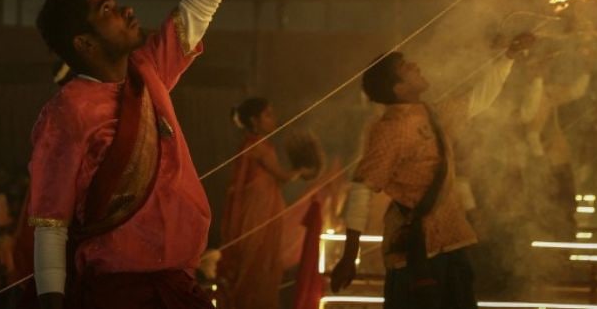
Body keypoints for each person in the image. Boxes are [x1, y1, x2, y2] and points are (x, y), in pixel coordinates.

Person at [25, 0, 269, 309]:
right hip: (119, 295)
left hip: (178, 287)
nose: (127, 11)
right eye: (108, 11)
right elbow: (50, 225)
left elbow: (204, 0)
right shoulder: (67, 111)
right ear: (84, 43)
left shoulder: (149, 71)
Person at [331, 42, 519, 309]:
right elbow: (363, 189)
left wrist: (508, 56)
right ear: (399, 89)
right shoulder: (390, 129)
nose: (415, 66)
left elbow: (479, 99)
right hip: (415, 252)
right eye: (405, 67)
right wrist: (350, 256)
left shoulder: (434, 113)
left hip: (452, 241)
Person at [219, 98, 309, 309]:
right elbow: (283, 176)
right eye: (268, 115)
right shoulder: (258, 146)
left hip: (257, 214)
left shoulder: (253, 144)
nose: (274, 119)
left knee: (255, 267)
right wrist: (303, 171)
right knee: (256, 268)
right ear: (254, 120)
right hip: (256, 216)